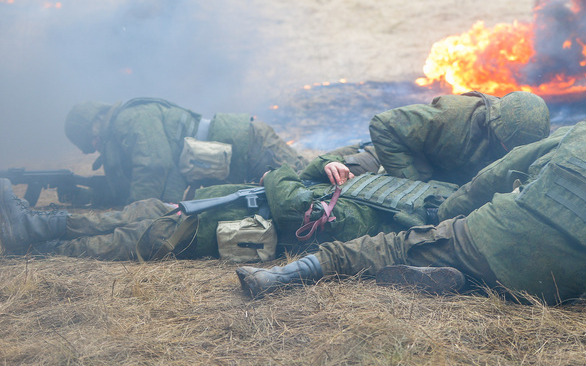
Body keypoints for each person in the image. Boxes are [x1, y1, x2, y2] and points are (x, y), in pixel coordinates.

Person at [237, 92, 586, 304]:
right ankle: (460, 284)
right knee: (511, 273)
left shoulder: (576, 135)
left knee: (394, 245)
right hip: (560, 290)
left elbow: (497, 174)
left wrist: (448, 215)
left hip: (488, 236)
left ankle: (282, 277)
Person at [0, 147, 456, 261]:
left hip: (214, 229)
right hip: (217, 203)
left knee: (128, 238)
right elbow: (303, 174)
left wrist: (275, 176)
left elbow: (288, 198)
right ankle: (33, 227)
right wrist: (328, 165)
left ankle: (33, 249)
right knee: (135, 213)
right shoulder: (373, 198)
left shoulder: (363, 223)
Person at [64, 97, 308, 207]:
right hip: (241, 156)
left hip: (252, 145)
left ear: (97, 121)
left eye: (92, 139)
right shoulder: (123, 128)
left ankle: (347, 160)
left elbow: (154, 165)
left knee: (312, 181)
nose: (95, 145)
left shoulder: (130, 117)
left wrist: (137, 213)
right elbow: (169, 171)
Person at [368, 90, 550, 185]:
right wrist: (414, 183)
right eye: (507, 146)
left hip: (458, 180)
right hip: (416, 164)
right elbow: (382, 125)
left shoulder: (526, 132)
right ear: (495, 126)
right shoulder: (448, 118)